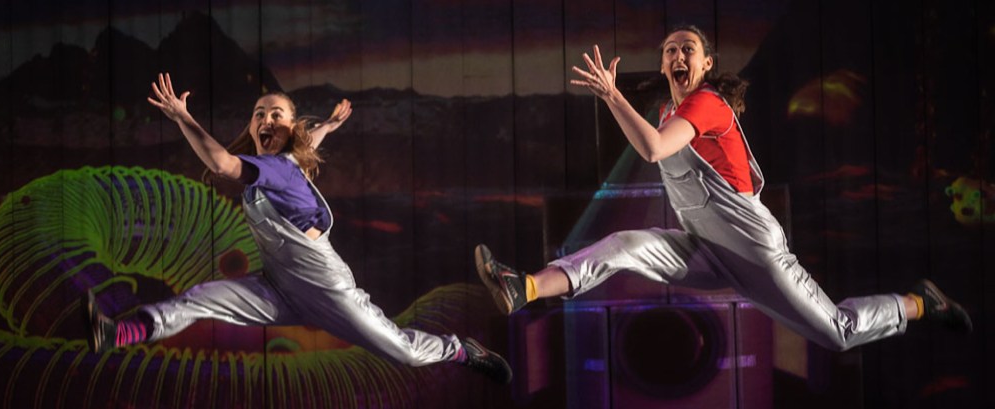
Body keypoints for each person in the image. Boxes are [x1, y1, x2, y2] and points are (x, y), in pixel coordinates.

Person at [475, 25, 972, 352]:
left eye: (686, 49)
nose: (676, 55)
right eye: (669, 50)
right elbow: (653, 141)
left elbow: (651, 150)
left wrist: (610, 94)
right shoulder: (670, 112)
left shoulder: (708, 103)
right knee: (625, 245)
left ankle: (921, 302)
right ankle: (526, 287)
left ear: (707, 64)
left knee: (838, 334)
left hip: (756, 252)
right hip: (706, 252)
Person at [85, 73, 512, 385]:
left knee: (403, 351)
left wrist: (183, 117)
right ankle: (118, 333)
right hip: (278, 289)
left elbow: (220, 164)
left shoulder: (280, 169)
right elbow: (305, 144)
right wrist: (326, 126)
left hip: (328, 289)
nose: (265, 119)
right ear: (252, 128)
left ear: (289, 128)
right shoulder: (272, 170)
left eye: (276, 114)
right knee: (201, 299)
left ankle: (460, 349)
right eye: (258, 115)